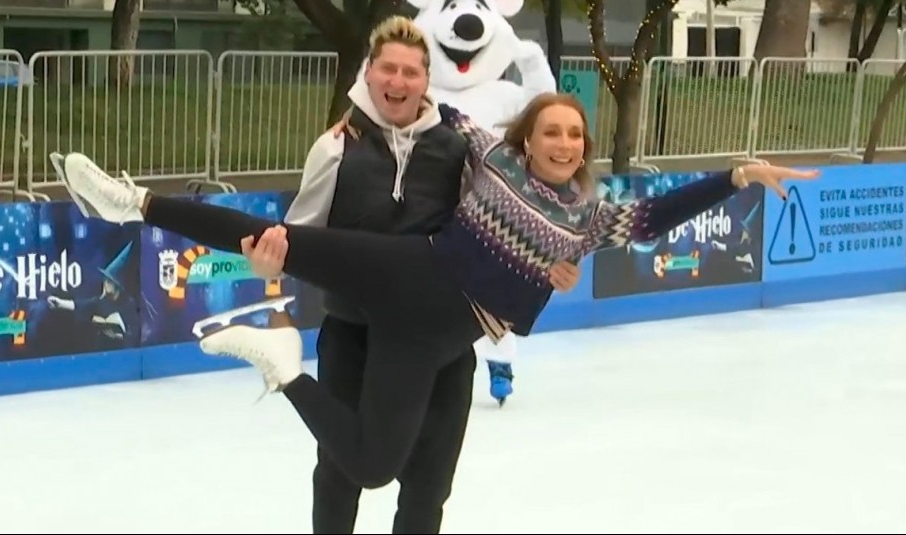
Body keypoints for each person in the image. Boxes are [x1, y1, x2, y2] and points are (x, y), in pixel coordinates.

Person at [48, 92, 819, 506]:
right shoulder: (490, 155)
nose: (564, 144)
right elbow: (416, 100)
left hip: (438, 338)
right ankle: (132, 202)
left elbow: (655, 217)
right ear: (527, 137)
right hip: (404, 272)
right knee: (275, 234)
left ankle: (283, 365)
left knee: (378, 467)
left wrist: (738, 175)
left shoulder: (587, 220)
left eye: (575, 136)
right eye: (551, 131)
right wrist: (360, 111)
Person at [276, 15, 571, 534]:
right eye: (387, 68)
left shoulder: (457, 150)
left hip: (440, 347)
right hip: (354, 338)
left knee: (429, 485)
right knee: (341, 474)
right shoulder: (335, 148)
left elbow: (501, 223)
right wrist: (277, 282)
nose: (398, 81)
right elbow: (297, 238)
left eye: (411, 72)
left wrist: (549, 266)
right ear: (368, 74)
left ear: (425, 80)